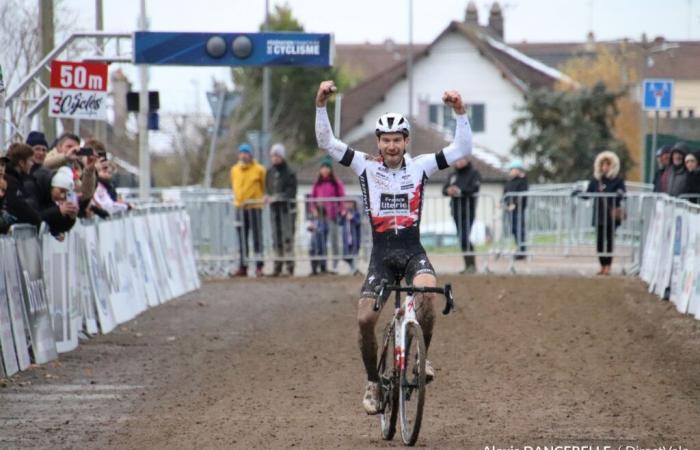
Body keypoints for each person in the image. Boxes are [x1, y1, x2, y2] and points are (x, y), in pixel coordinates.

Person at [315, 80, 472, 414]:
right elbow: (327, 142)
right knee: (364, 321)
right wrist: (321, 105)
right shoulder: (365, 166)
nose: (391, 146)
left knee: (428, 294)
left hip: (413, 252)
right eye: (385, 140)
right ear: (378, 142)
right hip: (382, 257)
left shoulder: (420, 167)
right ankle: (373, 381)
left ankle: (422, 361)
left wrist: (459, 112)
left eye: (396, 140)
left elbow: (460, 150)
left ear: (405, 141)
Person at [585, 151, 626, 276]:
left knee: (609, 241)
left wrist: (619, 193)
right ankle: (602, 265)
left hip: (611, 216)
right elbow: (588, 194)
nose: (605, 167)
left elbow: (623, 194)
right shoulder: (595, 180)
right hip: (599, 215)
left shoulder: (617, 180)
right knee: (599, 242)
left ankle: (608, 266)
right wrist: (578, 193)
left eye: (607, 164)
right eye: (603, 164)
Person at [230, 143, 266, 277]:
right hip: (240, 208)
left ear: (251, 154)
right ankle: (243, 266)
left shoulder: (259, 169)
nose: (244, 155)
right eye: (241, 152)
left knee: (257, 238)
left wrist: (259, 199)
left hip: (254, 208)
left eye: (246, 152)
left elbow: (264, 186)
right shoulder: (234, 170)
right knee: (242, 239)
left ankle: (259, 266)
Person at [442, 157, 481, 272]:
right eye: (457, 159)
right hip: (456, 211)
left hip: (468, 211)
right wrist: (449, 190)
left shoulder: (474, 173)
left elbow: (475, 188)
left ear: (467, 160)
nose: (458, 162)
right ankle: (468, 265)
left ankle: (471, 265)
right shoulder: (453, 175)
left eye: (461, 159)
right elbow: (444, 190)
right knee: (462, 238)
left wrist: (459, 191)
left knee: (464, 238)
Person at [308, 157, 346, 274]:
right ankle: (321, 266)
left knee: (334, 242)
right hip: (320, 217)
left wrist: (341, 209)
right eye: (322, 168)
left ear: (330, 170)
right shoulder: (317, 184)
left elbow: (342, 198)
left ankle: (335, 266)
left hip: (333, 217)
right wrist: (313, 209)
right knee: (319, 242)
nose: (324, 170)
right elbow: (312, 199)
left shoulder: (336, 183)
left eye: (327, 168)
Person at [265, 143, 297, 277]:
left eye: (277, 155)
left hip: (286, 210)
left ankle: (289, 266)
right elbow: (267, 188)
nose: (275, 158)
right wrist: (268, 196)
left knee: (287, 237)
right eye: (273, 155)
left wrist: (278, 197)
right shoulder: (269, 172)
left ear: (282, 156)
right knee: (276, 237)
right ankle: (277, 266)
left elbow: (292, 191)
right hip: (274, 210)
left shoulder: (290, 172)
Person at [2, 143, 42, 229]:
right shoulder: (11, 182)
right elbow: (19, 206)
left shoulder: (18, 180)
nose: (33, 164)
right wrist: (38, 221)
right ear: (21, 163)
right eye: (30, 160)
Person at [503, 159, 528, 260]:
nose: (511, 171)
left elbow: (522, 195)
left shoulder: (523, 181)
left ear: (518, 170)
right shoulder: (509, 182)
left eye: (513, 169)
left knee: (519, 230)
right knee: (513, 230)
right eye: (511, 169)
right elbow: (505, 193)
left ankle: (522, 250)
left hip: (518, 210)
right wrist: (503, 202)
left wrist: (515, 204)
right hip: (509, 210)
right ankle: (519, 248)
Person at [339, 198, 362, 275]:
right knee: (346, 255)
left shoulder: (356, 213)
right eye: (346, 203)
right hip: (346, 238)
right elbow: (340, 223)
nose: (348, 205)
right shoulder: (344, 213)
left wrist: (352, 218)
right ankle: (354, 269)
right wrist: (342, 216)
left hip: (354, 238)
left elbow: (358, 222)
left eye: (349, 203)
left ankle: (354, 269)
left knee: (354, 253)